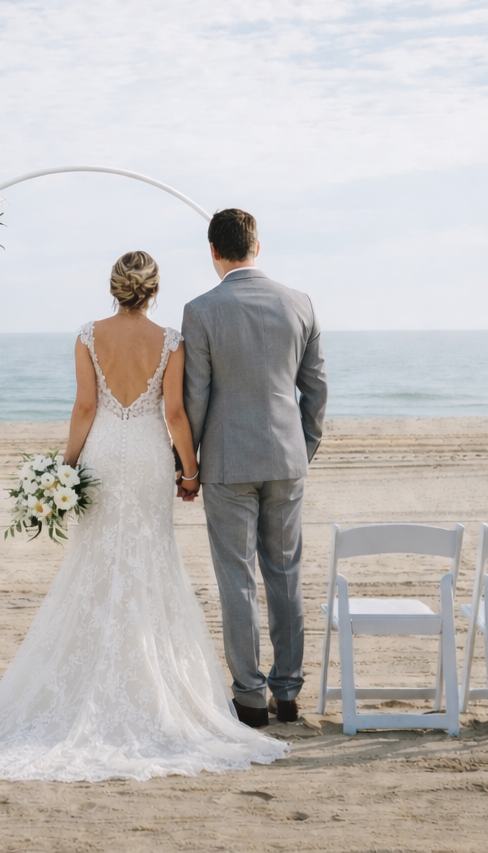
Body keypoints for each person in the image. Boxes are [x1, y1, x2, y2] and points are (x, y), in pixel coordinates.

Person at [0, 250, 287, 781]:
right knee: (150, 561)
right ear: (153, 290)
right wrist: (189, 471)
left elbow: (85, 408)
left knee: (94, 562)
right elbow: (175, 412)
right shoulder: (170, 340)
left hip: (105, 455)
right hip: (147, 458)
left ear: (114, 287)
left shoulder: (88, 335)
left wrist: (65, 469)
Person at [181, 208, 327, 728]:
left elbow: (195, 396)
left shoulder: (200, 310)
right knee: (285, 573)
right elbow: (316, 389)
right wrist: (302, 449)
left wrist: (190, 464)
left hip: (226, 461)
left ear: (214, 252)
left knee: (237, 578)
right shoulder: (300, 304)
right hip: (286, 458)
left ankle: (249, 697)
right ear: (256, 247)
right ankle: (288, 693)